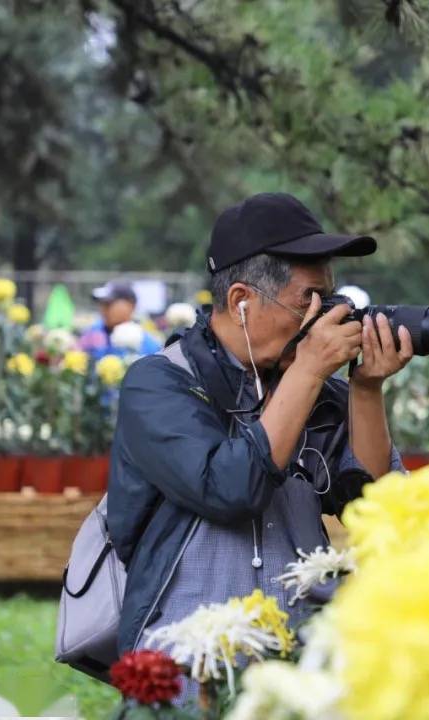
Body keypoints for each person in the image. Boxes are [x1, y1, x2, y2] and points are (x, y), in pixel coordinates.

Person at [108, 193, 412, 684]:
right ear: (241, 302)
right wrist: (308, 370)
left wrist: (366, 388)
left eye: (330, 299)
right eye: (308, 299)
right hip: (187, 658)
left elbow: (374, 502)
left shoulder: (310, 384)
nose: (326, 315)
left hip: (299, 657)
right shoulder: (160, 382)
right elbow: (229, 489)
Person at [78, 280, 161, 361]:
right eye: (101, 303)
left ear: (131, 305)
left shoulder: (147, 344)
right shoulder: (92, 333)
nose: (103, 309)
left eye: (109, 303)